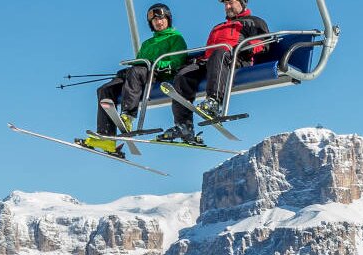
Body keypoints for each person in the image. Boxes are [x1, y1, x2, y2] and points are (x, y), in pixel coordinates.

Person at [80, 4, 189, 157]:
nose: (159, 22)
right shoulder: (147, 44)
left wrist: (158, 64)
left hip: (159, 75)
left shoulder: (175, 38)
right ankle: (105, 136)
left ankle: (128, 116)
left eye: (162, 19)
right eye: (155, 20)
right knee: (105, 90)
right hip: (140, 75)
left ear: (168, 19)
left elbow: (178, 60)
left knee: (136, 71)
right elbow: (138, 63)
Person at [159, 0, 269, 145]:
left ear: (242, 3)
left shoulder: (253, 22)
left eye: (231, 3)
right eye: (225, 4)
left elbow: (264, 43)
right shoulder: (217, 27)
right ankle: (183, 125)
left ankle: (214, 102)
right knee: (183, 74)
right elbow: (208, 51)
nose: (227, 7)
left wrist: (245, 47)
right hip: (212, 61)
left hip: (237, 59)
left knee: (220, 52)